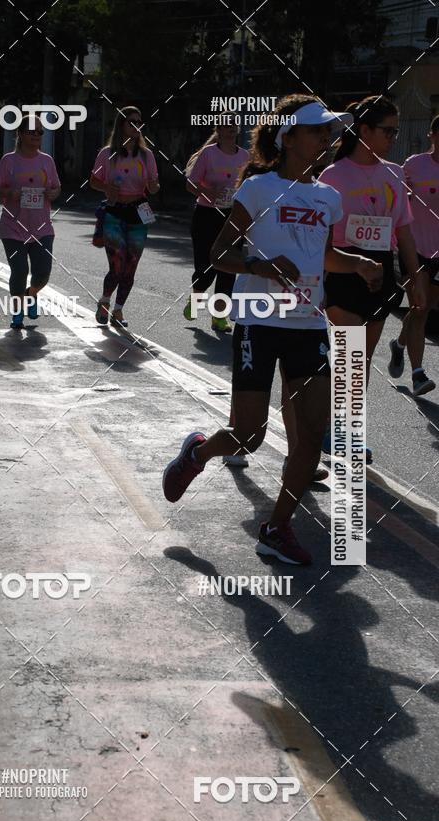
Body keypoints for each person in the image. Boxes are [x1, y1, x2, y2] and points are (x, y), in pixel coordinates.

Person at [162, 95, 382, 565]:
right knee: (248, 436)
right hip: (258, 321)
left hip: (307, 325)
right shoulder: (259, 188)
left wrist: (358, 263)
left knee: (311, 432)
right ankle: (197, 454)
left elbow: (317, 253)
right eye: (318, 131)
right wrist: (261, 265)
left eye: (329, 132)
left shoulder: (328, 197)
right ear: (289, 138)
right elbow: (220, 252)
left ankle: (277, 527)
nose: (328, 139)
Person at [318, 96, 426, 458]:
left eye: (396, 131)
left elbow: (405, 231)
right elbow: (322, 237)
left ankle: (347, 430)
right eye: (387, 131)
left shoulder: (394, 173)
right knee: (349, 355)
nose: (393, 137)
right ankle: (334, 432)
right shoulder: (332, 176)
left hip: (382, 271)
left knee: (360, 362)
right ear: (363, 130)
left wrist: (415, 277)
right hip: (343, 267)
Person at [0, 114, 61, 329]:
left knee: (42, 274)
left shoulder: (47, 161)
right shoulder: (8, 161)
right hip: (13, 228)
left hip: (42, 229)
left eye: (40, 132)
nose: (37, 136)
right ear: (20, 133)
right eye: (32, 132)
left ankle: (32, 293)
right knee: (19, 271)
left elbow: (57, 187)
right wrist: (10, 192)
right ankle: (18, 311)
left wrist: (52, 193)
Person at [90, 106, 159, 328]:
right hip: (114, 212)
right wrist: (107, 187)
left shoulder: (146, 155)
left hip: (138, 212)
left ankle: (118, 311)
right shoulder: (107, 153)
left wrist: (153, 185)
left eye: (139, 122)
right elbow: (94, 181)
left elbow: (155, 186)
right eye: (132, 121)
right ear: (122, 125)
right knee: (117, 265)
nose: (137, 125)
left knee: (131, 267)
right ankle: (105, 300)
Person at [388, 114, 439, 395]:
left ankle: (398, 344)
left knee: (427, 307)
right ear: (432, 136)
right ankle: (418, 375)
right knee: (419, 309)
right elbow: (399, 203)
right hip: (414, 248)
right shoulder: (415, 165)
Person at [184, 124, 249, 333]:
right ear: (218, 131)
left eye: (234, 126)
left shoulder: (245, 156)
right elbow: (190, 184)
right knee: (205, 268)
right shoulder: (208, 154)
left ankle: (219, 317)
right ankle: (195, 300)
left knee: (228, 268)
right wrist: (208, 192)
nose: (231, 130)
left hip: (232, 217)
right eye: (227, 126)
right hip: (206, 216)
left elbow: (249, 187)